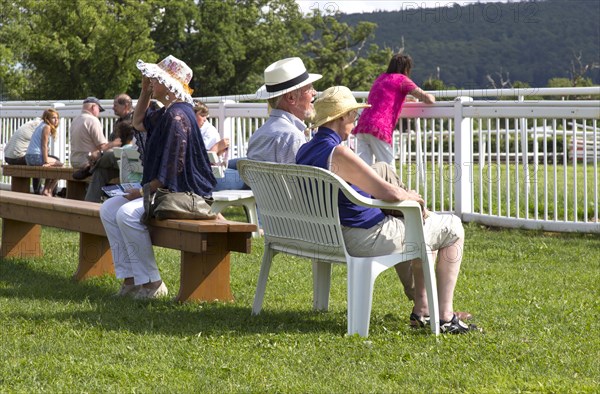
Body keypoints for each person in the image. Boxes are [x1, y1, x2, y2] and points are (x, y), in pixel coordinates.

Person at [297, 86, 477, 334]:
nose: (355, 121)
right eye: (352, 115)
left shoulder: (305, 150)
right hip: (361, 238)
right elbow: (389, 193)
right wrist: (413, 198)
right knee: (453, 227)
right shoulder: (338, 153)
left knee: (424, 226)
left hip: (327, 235)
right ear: (340, 118)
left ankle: (423, 309)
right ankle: (445, 317)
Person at [99, 55, 216, 299]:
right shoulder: (166, 112)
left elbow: (171, 170)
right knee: (109, 209)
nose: (151, 81)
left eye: (156, 79)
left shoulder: (177, 117)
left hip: (185, 193)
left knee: (127, 214)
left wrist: (142, 192)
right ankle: (131, 279)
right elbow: (138, 121)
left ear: (169, 84)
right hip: (166, 190)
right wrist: (144, 91)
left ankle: (153, 283)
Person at [353, 53, 436, 167]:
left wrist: (403, 101)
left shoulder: (381, 77)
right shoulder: (403, 80)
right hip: (378, 127)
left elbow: (386, 98)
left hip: (363, 124)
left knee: (363, 169)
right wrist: (432, 96)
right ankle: (391, 185)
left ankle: (359, 186)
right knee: (389, 167)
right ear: (406, 68)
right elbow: (428, 99)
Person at [247, 57, 321, 163]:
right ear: (291, 98)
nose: (314, 93)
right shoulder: (293, 138)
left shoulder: (257, 135)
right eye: (309, 88)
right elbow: (299, 179)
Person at [193, 101, 245, 191]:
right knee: (253, 176)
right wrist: (216, 148)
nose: (205, 119)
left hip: (211, 171)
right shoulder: (202, 132)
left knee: (246, 162)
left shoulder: (186, 130)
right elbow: (199, 161)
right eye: (202, 115)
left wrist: (218, 152)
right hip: (207, 178)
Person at [24, 109, 64, 196]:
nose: (56, 120)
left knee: (53, 166)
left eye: (57, 118)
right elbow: (44, 146)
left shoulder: (41, 125)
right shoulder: (47, 127)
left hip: (29, 157)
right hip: (36, 157)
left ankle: (46, 190)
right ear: (47, 119)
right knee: (60, 166)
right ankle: (47, 190)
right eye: (53, 118)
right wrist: (46, 161)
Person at [4, 117, 45, 193]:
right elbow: (42, 148)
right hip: (17, 157)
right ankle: (39, 191)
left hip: (8, 156)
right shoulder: (40, 127)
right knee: (38, 161)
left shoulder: (30, 124)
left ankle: (39, 191)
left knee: (36, 159)